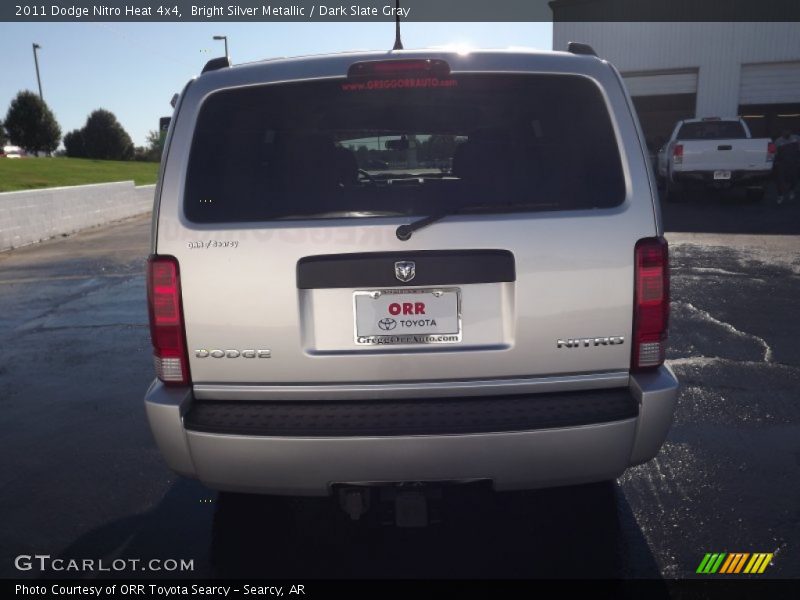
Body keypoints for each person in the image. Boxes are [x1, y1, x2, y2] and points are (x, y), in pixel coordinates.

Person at [774, 128, 800, 204]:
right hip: (782, 163)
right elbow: (775, 153)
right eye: (784, 131)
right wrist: (776, 162)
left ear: (790, 131)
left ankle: (791, 190)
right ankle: (780, 195)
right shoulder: (778, 141)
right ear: (781, 132)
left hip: (794, 162)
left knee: (794, 179)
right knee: (781, 180)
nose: (786, 132)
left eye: (788, 130)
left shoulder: (796, 138)